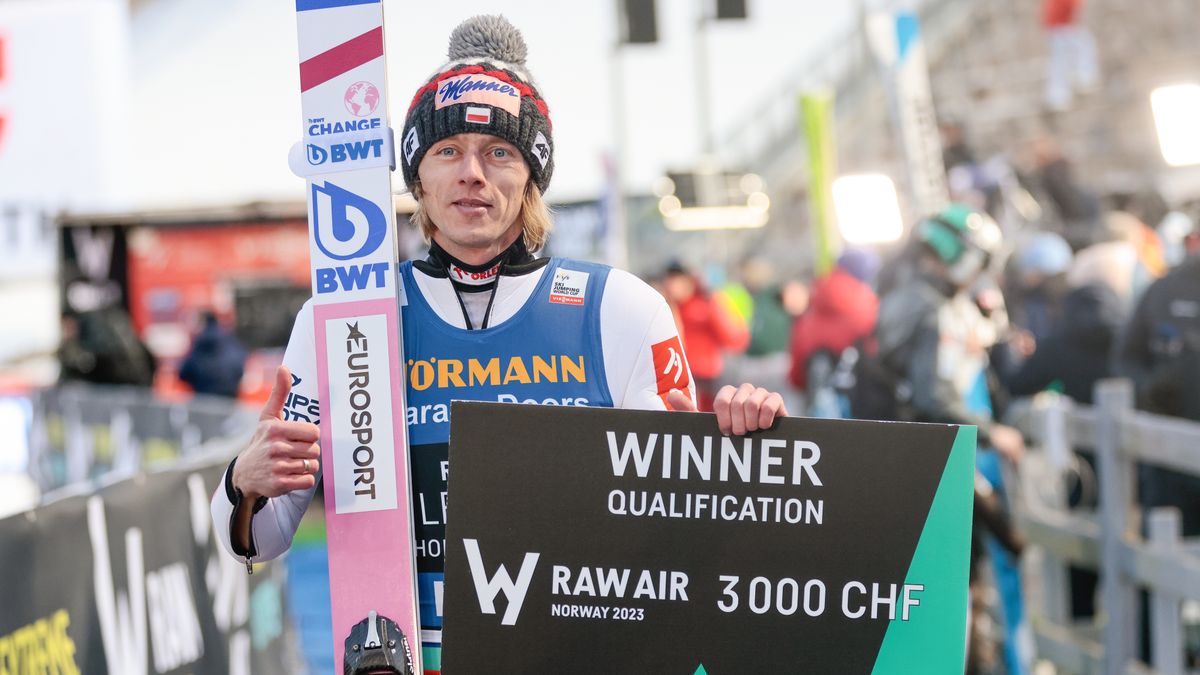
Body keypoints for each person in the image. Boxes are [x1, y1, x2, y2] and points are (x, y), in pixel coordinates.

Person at [209, 15, 787, 673]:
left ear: (531, 177)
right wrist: (242, 485)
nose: (473, 173)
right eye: (448, 150)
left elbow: (688, 530)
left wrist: (745, 448)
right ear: (418, 177)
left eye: (499, 152)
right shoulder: (342, 322)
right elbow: (256, 540)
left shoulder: (621, 308)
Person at [873, 204, 1028, 675]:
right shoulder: (929, 308)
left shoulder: (903, 296)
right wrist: (993, 432)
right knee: (959, 586)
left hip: (898, 465)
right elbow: (932, 396)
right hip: (935, 467)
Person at [661, 260, 750, 411]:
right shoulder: (664, 306)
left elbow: (736, 339)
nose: (673, 285)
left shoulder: (708, 301)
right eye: (670, 279)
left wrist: (712, 304)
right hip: (676, 379)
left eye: (678, 279)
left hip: (708, 379)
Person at [178, 311, 246, 398]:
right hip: (230, 400)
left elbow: (184, 373)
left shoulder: (200, 343)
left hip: (204, 399)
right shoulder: (229, 340)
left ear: (201, 322)